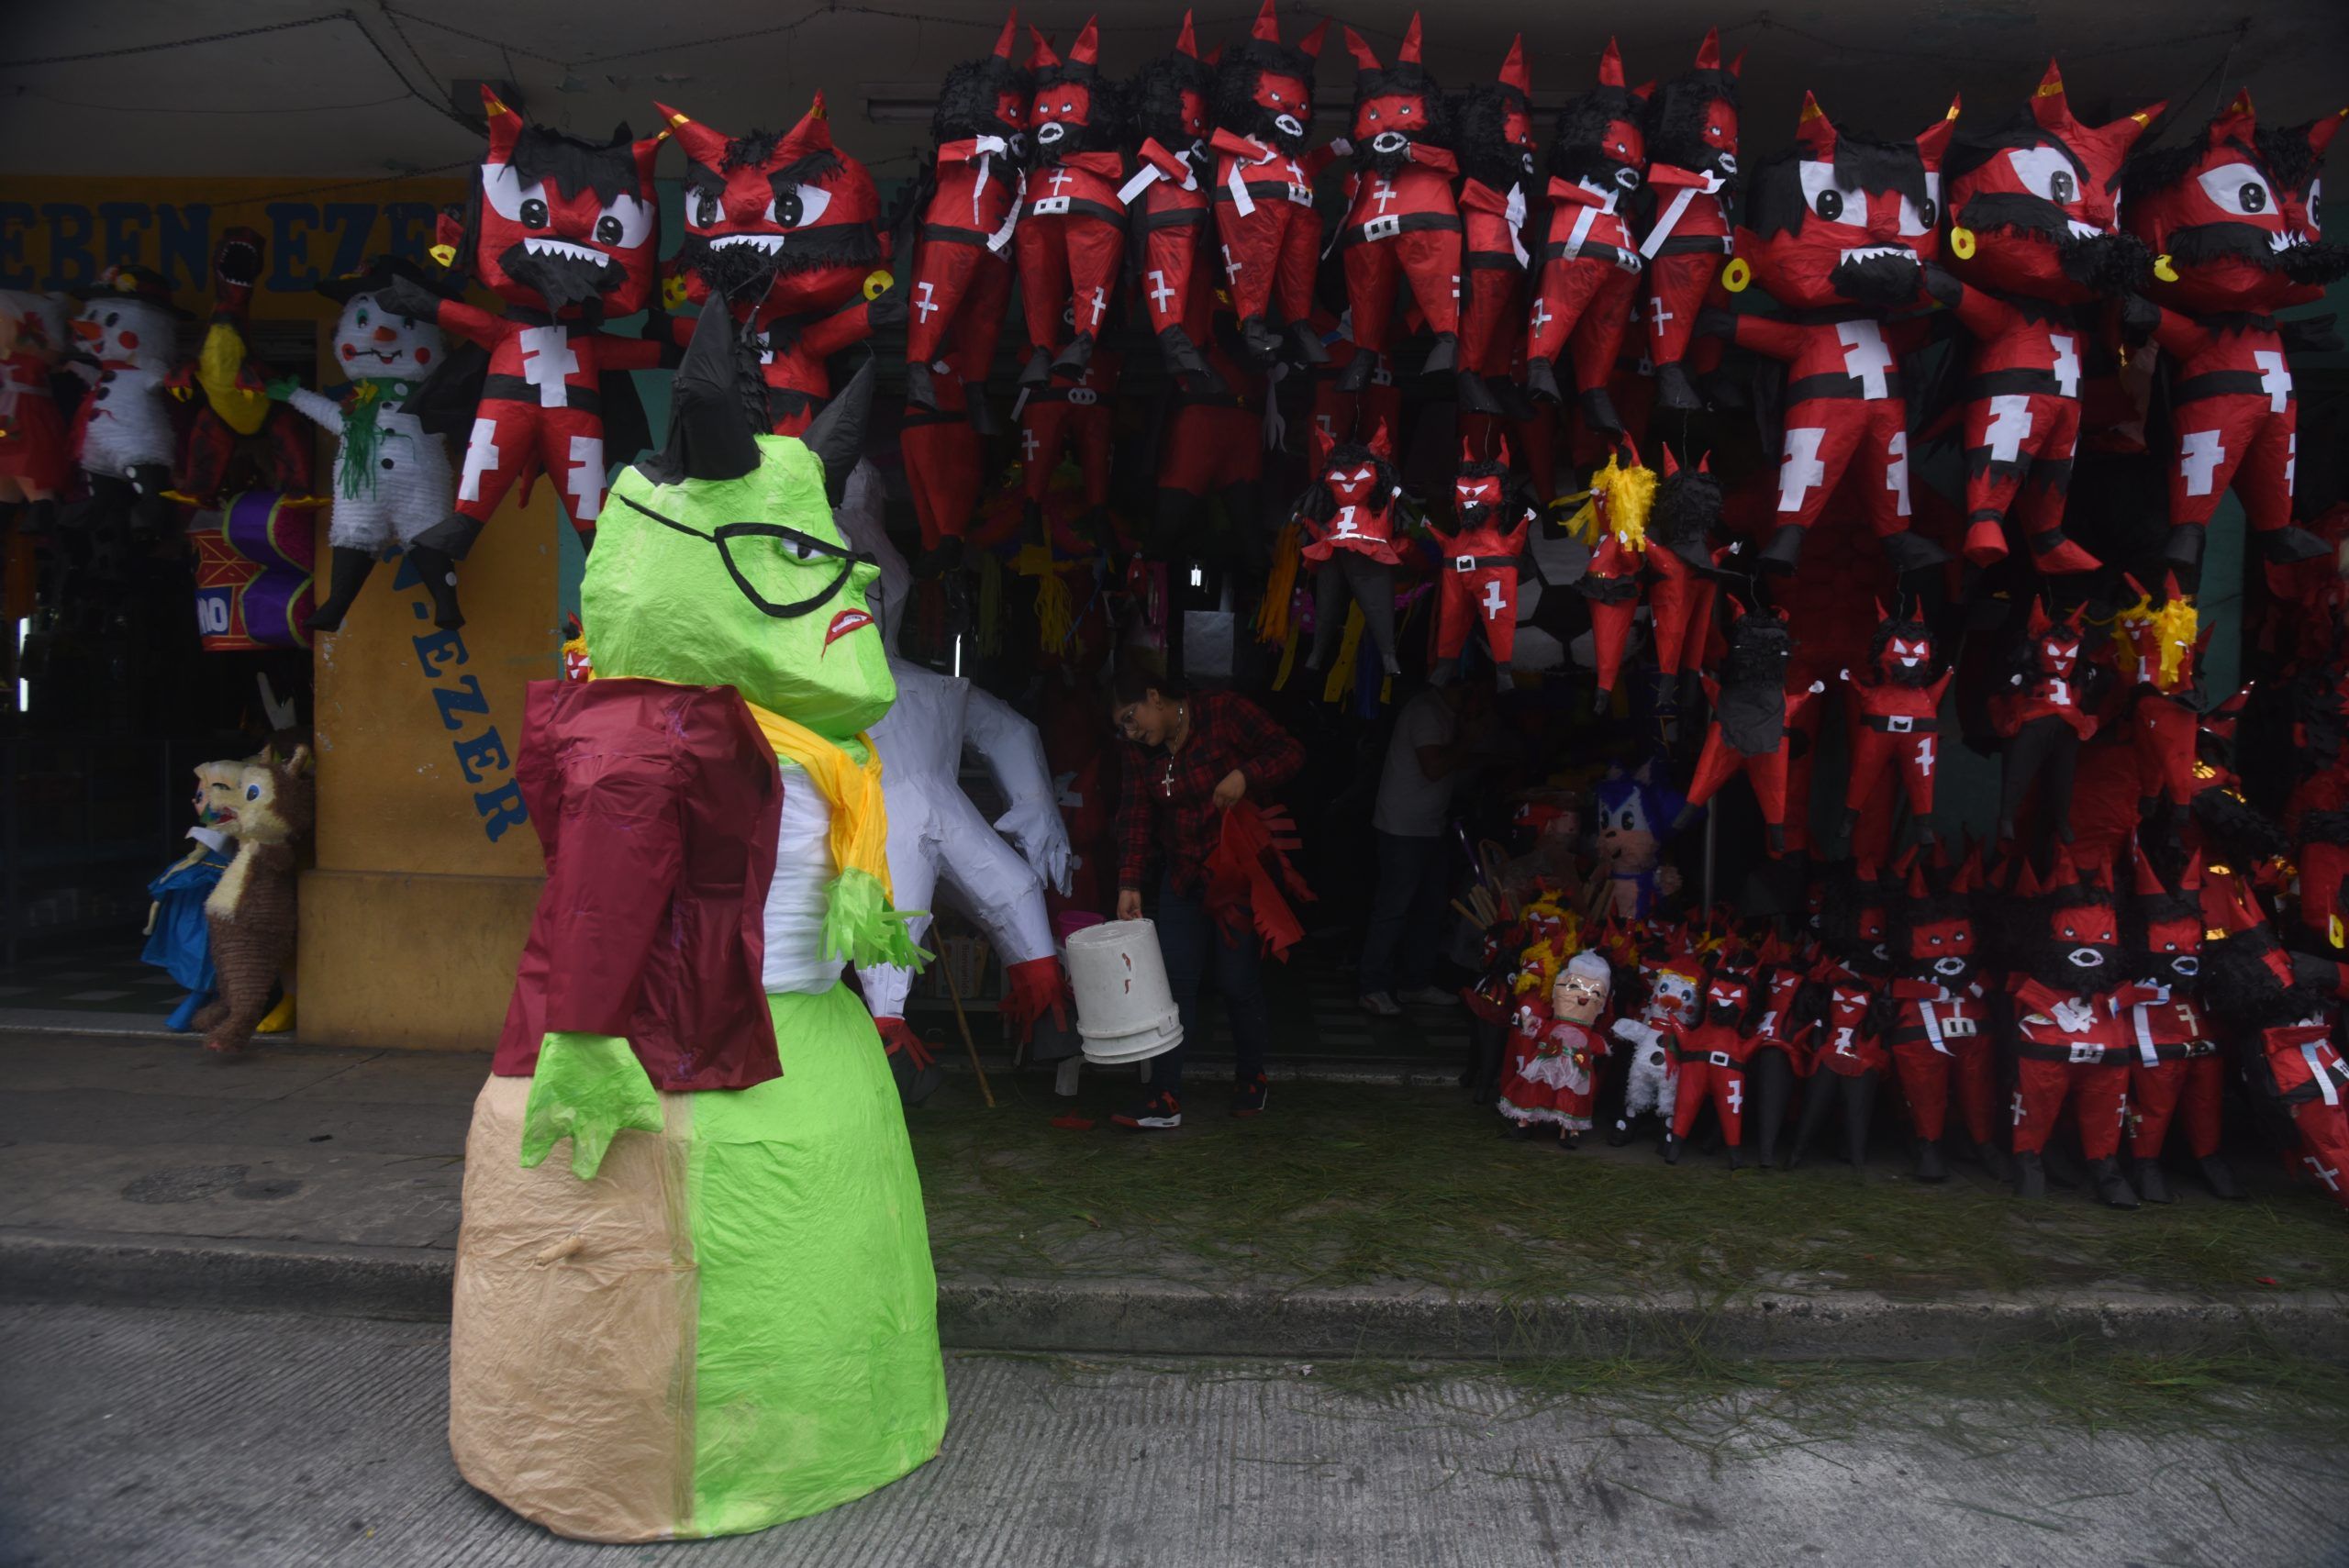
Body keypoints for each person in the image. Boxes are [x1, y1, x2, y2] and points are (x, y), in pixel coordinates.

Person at [1110, 663, 1306, 1129]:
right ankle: (1165, 1098)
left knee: (1237, 983)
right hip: (1182, 878)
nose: (1132, 731)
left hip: (1234, 876)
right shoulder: (1141, 753)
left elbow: (1290, 751)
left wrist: (1245, 774)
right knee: (1174, 987)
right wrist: (1129, 882)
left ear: (1156, 696)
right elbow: (1136, 814)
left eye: (1133, 717)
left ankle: (1251, 1076)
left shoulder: (1221, 713)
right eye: (1123, 726)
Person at [1359, 684, 1483, 1015]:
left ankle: (1414, 982)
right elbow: (1434, 767)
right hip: (1403, 827)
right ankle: (1372, 986)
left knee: (1429, 908)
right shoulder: (1426, 711)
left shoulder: (1445, 713)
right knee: (1394, 908)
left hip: (1428, 825)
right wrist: (1469, 739)